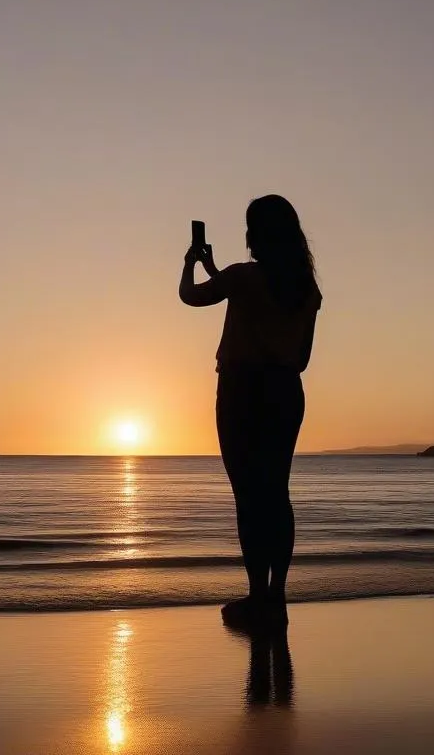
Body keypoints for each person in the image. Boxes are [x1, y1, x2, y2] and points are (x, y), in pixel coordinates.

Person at [179, 195, 321, 631]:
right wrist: (217, 271)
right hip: (284, 391)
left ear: (254, 233)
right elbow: (301, 359)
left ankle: (257, 596)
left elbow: (190, 297)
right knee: (277, 494)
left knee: (248, 498)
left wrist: (191, 263)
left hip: (241, 392)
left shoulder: (242, 279)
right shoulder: (305, 288)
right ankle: (276, 598)